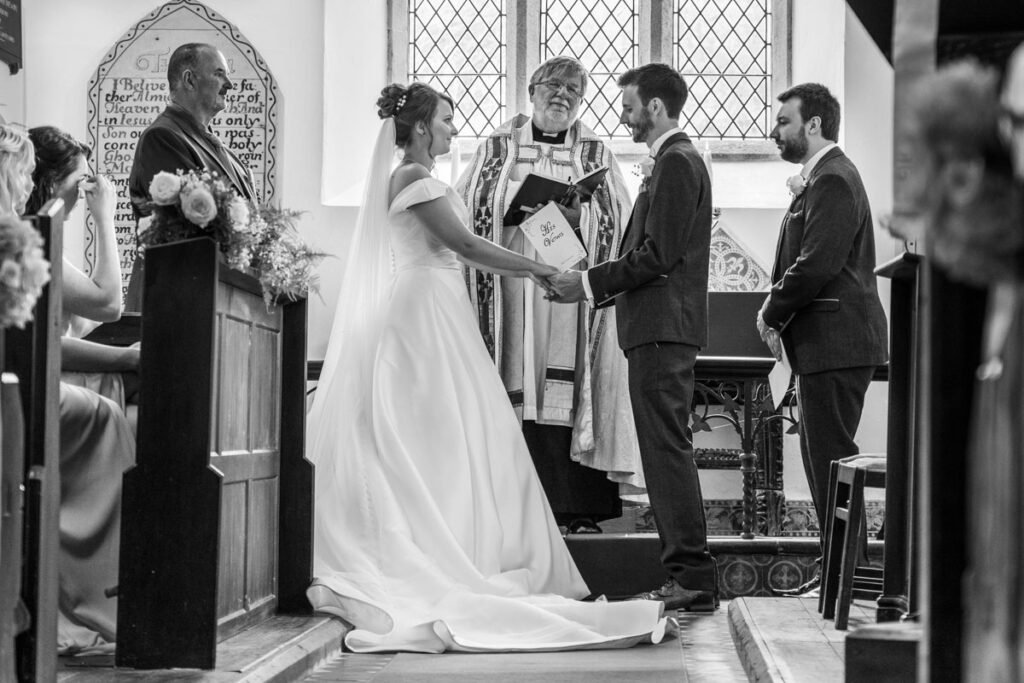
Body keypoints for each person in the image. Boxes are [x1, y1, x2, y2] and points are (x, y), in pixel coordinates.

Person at [305, 82, 666, 652]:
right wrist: (539, 270)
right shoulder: (412, 178)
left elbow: (470, 241)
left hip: (440, 308)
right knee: (425, 432)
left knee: (451, 434)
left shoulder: (427, 179)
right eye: (446, 120)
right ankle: (428, 543)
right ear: (421, 127)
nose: (454, 128)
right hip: (421, 313)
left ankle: (452, 535)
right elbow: (468, 246)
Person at [546, 63, 718, 612]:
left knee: (667, 451)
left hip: (663, 329)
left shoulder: (677, 162)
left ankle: (692, 575)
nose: (622, 114)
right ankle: (688, 574)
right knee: (664, 449)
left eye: (629, 104)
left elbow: (658, 256)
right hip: (656, 328)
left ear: (656, 107)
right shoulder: (669, 162)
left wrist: (590, 282)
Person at [456, 56, 638, 531]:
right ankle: (510, 510)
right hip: (510, 288)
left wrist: (582, 216)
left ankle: (577, 508)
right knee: (516, 375)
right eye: (553, 86)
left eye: (573, 91)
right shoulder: (496, 147)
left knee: (567, 380)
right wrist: (511, 206)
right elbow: (467, 208)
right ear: (531, 90)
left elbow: (622, 219)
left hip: (569, 289)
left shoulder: (596, 152)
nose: (562, 96)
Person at [756, 83, 888, 597]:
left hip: (836, 341)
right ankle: (840, 571)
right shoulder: (825, 178)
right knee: (827, 464)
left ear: (813, 125)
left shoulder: (834, 179)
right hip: (827, 343)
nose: (776, 130)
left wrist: (771, 309)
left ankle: (845, 576)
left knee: (832, 461)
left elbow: (817, 264)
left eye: (785, 121)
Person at [14, 124, 137, 655]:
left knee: (110, 403)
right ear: (55, 181)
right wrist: (105, 219)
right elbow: (108, 305)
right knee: (109, 413)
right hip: (26, 386)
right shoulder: (26, 234)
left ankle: (87, 589)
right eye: (83, 181)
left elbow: (69, 329)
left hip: (35, 376)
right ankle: (96, 595)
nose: (89, 190)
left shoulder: (38, 237)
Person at [126, 42, 256, 308]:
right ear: (189, 79)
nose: (229, 84)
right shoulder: (162, 137)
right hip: (177, 303)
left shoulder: (229, 156)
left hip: (222, 301)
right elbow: (188, 235)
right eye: (219, 73)